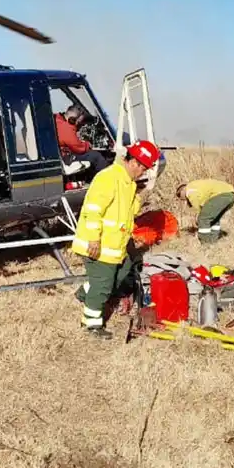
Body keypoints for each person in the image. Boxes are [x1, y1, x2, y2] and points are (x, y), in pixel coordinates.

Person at [71, 139, 160, 339]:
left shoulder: (128, 183)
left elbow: (131, 210)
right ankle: (91, 324)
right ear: (134, 163)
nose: (144, 172)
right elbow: (93, 209)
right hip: (99, 244)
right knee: (103, 286)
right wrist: (94, 238)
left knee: (120, 275)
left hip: (115, 245)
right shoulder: (108, 178)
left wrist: (143, 192)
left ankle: (86, 293)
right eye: (144, 168)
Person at [175, 179, 234, 243]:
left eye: (182, 197)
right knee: (214, 218)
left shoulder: (189, 190)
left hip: (222, 195)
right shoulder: (196, 186)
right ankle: (212, 240)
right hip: (231, 194)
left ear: (182, 191)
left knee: (203, 218)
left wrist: (198, 218)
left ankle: (205, 243)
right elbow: (204, 206)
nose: (185, 200)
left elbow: (198, 208)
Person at [55, 104, 108, 175]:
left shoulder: (56, 118)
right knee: (96, 156)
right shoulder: (66, 127)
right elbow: (79, 148)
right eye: (78, 122)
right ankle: (104, 180)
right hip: (65, 158)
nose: (77, 125)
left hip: (59, 155)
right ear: (72, 119)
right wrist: (87, 144)